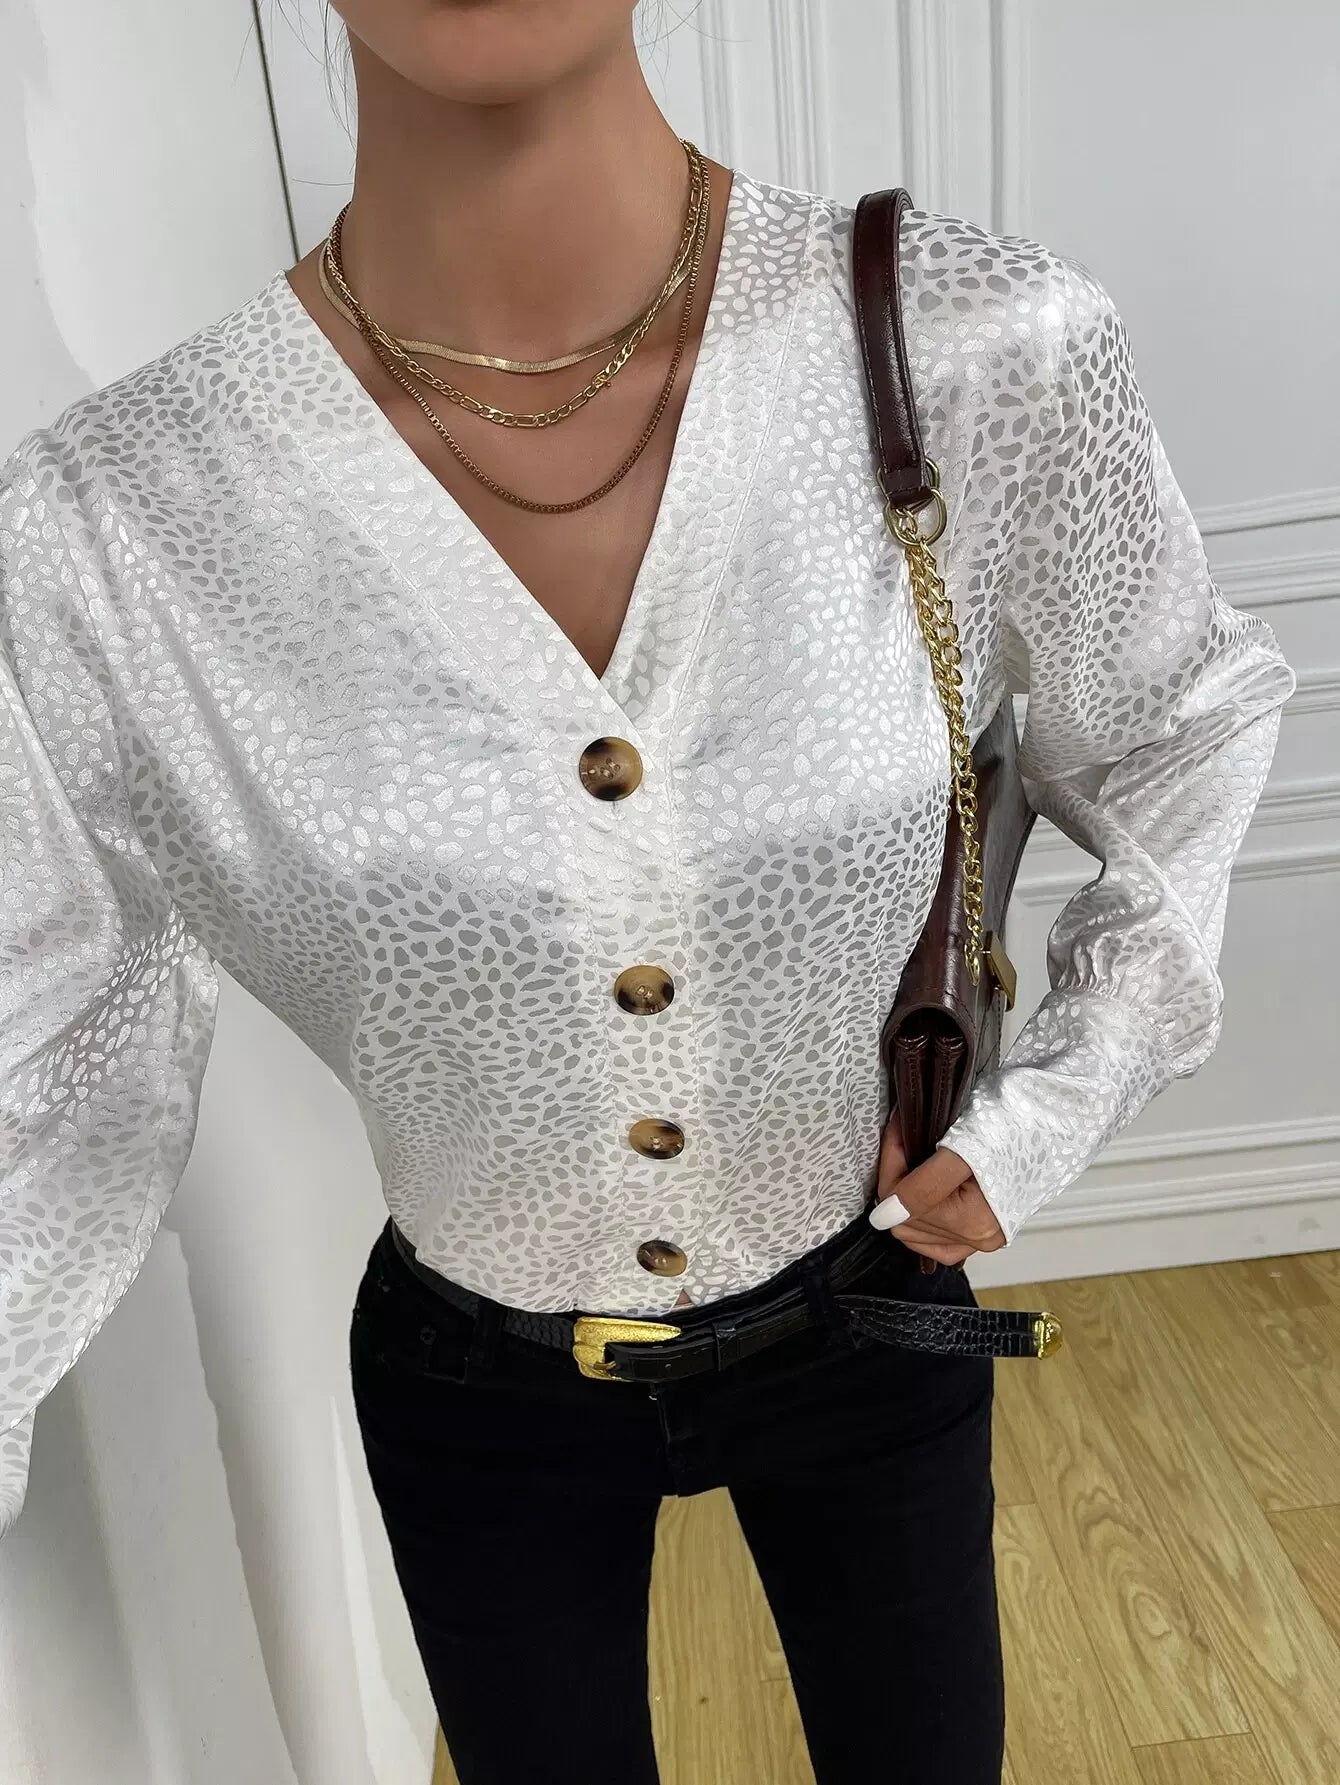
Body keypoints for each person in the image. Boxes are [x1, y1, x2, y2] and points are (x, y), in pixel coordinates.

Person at [0, 2, 1296, 1781]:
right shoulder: (111, 528)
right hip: (473, 1385)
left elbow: (1179, 723)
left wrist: (1063, 1097)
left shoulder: (975, 346)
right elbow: (39, 1045)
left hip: (870, 1297)